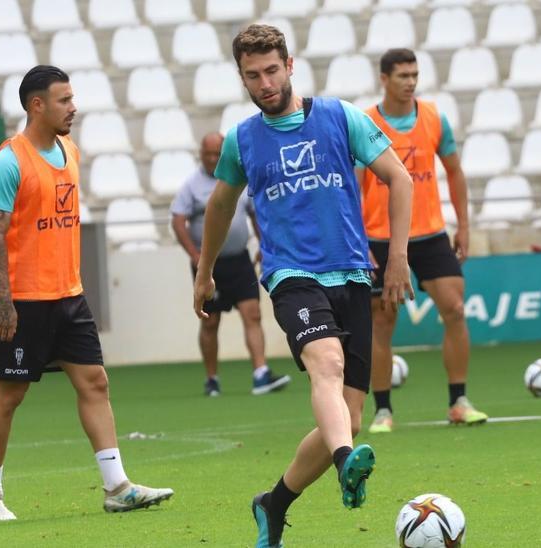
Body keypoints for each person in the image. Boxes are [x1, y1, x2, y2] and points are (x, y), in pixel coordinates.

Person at [192, 24, 415, 548]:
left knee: (351, 417)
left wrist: (398, 256)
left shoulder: (340, 117)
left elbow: (399, 179)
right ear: (243, 79)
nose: (265, 82)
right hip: (292, 276)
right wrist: (204, 273)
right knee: (327, 365)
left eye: (272, 70)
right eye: (253, 75)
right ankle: (344, 464)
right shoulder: (243, 139)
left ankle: (273, 504)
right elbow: (221, 205)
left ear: (289, 66)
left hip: (353, 273)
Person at [0, 65, 173, 521]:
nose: (74, 107)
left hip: (69, 295)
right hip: (22, 301)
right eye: (64, 100)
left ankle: (117, 486)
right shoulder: (7, 162)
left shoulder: (70, 150)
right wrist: (4, 301)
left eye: (73, 98)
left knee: (95, 382)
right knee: (9, 395)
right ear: (36, 105)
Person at [358, 48, 487, 434]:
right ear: (384, 79)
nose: (410, 81)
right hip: (379, 236)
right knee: (382, 322)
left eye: (414, 74)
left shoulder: (434, 117)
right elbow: (350, 186)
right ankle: (383, 410)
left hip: (430, 232)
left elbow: (455, 171)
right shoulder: (365, 123)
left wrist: (463, 225)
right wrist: (356, 239)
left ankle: (459, 402)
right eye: (402, 75)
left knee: (456, 309)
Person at [171, 132, 291, 397]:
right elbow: (178, 220)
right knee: (211, 321)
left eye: (217, 153)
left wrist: (264, 244)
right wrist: (195, 255)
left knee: (253, 313)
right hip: (210, 265)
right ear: (200, 153)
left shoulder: (237, 176)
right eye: (208, 154)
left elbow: (254, 212)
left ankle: (261, 373)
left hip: (240, 260)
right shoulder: (192, 185)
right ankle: (212, 379)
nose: (213, 159)